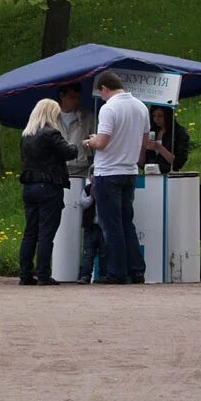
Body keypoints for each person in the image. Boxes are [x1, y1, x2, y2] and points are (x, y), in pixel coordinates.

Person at [83, 71, 150, 284]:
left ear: (104, 88)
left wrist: (90, 141)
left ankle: (116, 272)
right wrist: (135, 160)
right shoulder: (141, 107)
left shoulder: (109, 108)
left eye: (101, 93)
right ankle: (137, 270)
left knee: (110, 225)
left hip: (108, 172)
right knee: (126, 222)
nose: (101, 97)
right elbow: (145, 142)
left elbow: (102, 142)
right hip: (129, 171)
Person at [18, 98, 78, 286]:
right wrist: (78, 145)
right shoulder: (51, 133)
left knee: (30, 232)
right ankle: (43, 274)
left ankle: (25, 274)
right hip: (49, 187)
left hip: (29, 187)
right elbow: (69, 152)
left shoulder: (26, 135)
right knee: (46, 233)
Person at [57, 82, 94, 179]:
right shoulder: (51, 117)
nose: (76, 101)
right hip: (57, 168)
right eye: (72, 97)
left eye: (78, 98)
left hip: (81, 169)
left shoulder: (87, 116)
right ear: (62, 96)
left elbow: (95, 141)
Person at [77, 183, 107, 284]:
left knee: (104, 253)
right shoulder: (87, 189)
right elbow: (83, 203)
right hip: (90, 226)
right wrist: (91, 197)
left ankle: (104, 275)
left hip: (104, 226)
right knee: (88, 253)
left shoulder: (107, 187)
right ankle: (85, 276)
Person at [146, 106, 190, 173]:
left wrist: (159, 147)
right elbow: (144, 161)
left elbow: (179, 163)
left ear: (168, 116)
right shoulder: (152, 131)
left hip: (169, 174)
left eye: (160, 116)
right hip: (150, 173)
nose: (156, 119)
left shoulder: (179, 132)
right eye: (154, 116)